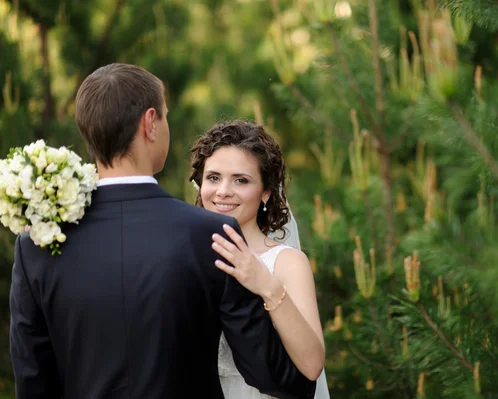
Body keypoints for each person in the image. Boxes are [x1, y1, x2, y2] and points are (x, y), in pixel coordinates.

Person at [9, 63, 316, 399]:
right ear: (150, 123)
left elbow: (33, 379)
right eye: (166, 117)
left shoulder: (37, 242)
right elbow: (282, 378)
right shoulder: (213, 236)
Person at [189, 121, 330, 398]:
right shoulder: (187, 255)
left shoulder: (287, 263)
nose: (223, 191)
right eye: (213, 177)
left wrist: (266, 284)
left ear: (266, 192)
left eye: (241, 180)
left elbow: (312, 366)